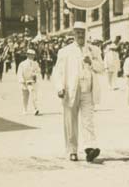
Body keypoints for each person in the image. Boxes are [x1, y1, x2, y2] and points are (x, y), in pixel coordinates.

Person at [52, 21, 105, 163]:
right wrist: (59, 88)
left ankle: (90, 148)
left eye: (83, 32)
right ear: (73, 34)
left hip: (88, 90)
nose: (80, 35)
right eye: (78, 32)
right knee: (70, 122)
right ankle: (72, 150)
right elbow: (57, 72)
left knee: (88, 120)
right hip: (70, 91)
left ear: (86, 33)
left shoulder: (94, 50)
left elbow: (101, 69)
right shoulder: (65, 51)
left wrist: (91, 62)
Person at [17, 48, 42, 115]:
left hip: (32, 82)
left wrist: (35, 75)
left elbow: (38, 71)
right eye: (30, 55)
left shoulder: (35, 64)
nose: (32, 56)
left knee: (33, 96)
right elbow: (19, 73)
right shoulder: (22, 64)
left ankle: (35, 109)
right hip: (25, 82)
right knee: (25, 97)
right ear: (27, 55)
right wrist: (22, 81)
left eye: (33, 55)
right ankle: (25, 109)